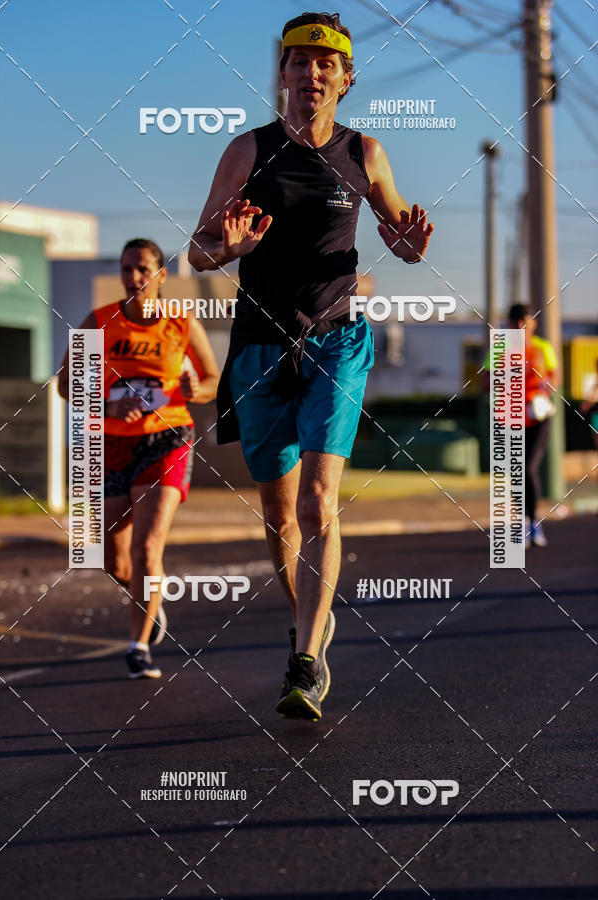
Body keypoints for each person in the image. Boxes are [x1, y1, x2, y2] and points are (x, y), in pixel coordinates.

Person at [188, 12, 433, 721]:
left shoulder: (365, 152)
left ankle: (304, 658)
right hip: (261, 347)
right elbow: (200, 248)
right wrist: (225, 250)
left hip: (336, 341)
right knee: (276, 512)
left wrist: (410, 242)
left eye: (325, 65)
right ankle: (312, 622)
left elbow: (402, 240)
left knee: (319, 500)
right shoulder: (248, 150)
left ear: (345, 81)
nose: (310, 74)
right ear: (283, 76)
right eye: (298, 62)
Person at [58, 238, 219, 678]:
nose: (134, 277)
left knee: (149, 546)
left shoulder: (180, 323)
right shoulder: (100, 322)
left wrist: (196, 391)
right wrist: (107, 406)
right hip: (110, 443)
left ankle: (138, 647)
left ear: (160, 274)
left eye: (143, 269)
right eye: (127, 269)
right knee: (112, 558)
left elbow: (212, 380)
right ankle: (148, 604)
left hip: (166, 438)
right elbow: (65, 385)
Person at [507, 303, 559, 549]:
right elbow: (487, 379)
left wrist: (541, 387)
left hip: (538, 416)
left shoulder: (542, 347)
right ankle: (522, 522)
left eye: (524, 320)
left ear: (532, 322)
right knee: (517, 471)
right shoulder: (502, 347)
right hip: (512, 417)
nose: (520, 326)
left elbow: (554, 376)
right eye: (515, 321)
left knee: (528, 467)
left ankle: (533, 523)